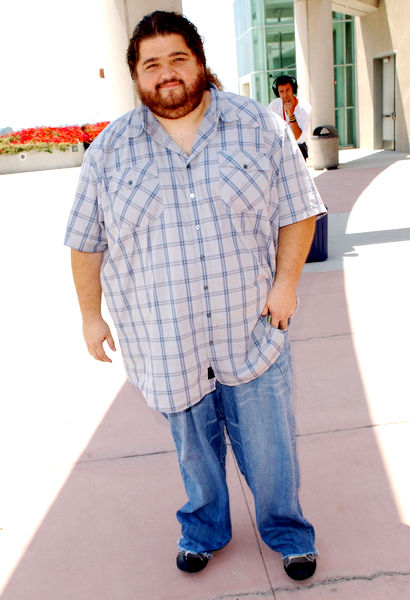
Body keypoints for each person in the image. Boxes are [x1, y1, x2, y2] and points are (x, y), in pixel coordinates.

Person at [64, 11, 326, 581]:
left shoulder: (258, 125)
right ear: (136, 75)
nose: (167, 74)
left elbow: (299, 210)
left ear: (200, 62)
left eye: (178, 58)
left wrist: (286, 286)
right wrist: (91, 317)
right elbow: (85, 242)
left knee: (271, 449)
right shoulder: (110, 151)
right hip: (165, 340)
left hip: (251, 328)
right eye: (151, 64)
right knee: (195, 455)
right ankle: (204, 529)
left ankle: (287, 532)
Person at [268, 75, 311, 160]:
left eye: (287, 90)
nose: (285, 95)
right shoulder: (273, 105)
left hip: (297, 147)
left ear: (293, 89)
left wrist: (291, 115)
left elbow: (299, 138)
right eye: (281, 91)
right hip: (279, 146)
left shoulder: (305, 108)